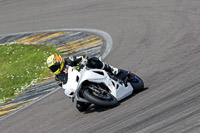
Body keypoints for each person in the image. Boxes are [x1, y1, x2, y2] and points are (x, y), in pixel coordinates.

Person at [46, 53, 119, 112]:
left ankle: (111, 69)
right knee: (80, 107)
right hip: (78, 87)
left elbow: (84, 57)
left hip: (86, 73)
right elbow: (65, 87)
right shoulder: (58, 78)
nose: (53, 69)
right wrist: (70, 94)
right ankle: (95, 97)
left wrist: (82, 62)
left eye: (54, 67)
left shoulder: (69, 60)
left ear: (59, 62)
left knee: (92, 61)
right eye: (52, 68)